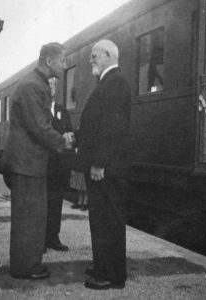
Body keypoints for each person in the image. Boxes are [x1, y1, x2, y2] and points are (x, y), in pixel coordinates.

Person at [2, 42, 74, 279]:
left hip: (29, 163)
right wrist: (62, 140)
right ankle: (26, 267)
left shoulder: (35, 83)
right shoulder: (34, 86)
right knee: (29, 218)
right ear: (49, 61)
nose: (65, 66)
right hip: (27, 164)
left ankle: (25, 265)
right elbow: (39, 128)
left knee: (30, 217)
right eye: (62, 61)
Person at [76, 39, 132, 290]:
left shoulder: (115, 82)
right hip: (104, 167)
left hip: (105, 168)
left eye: (94, 56)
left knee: (107, 220)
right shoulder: (109, 82)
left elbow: (113, 129)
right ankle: (104, 266)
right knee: (101, 219)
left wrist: (98, 163)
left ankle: (111, 275)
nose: (91, 61)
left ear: (108, 56)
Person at [45, 77, 72, 252]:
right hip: (43, 164)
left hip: (59, 167)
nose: (51, 87)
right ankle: (39, 240)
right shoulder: (39, 109)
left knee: (56, 203)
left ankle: (53, 238)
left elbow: (68, 135)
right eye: (47, 84)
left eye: (53, 84)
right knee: (41, 203)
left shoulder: (62, 110)